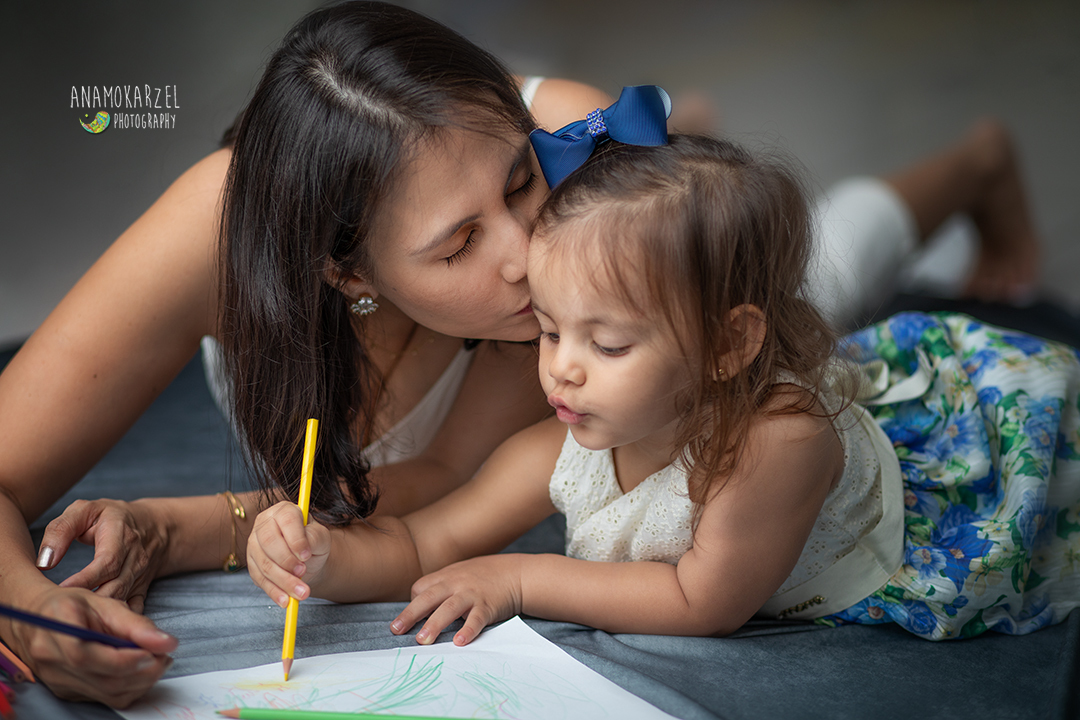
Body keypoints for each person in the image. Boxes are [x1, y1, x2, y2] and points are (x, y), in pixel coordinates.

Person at [0, 0, 1043, 707]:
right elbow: (439, 504)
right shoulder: (216, 233)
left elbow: (455, 488)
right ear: (348, 275)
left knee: (812, 273)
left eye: (516, 186)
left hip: (659, 292)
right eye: (458, 245)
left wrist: (182, 529)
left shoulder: (574, 241)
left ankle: (969, 168)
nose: (527, 257)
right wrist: (29, 605)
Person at [247, 128, 1079, 647]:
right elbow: (426, 545)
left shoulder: (776, 440)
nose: (560, 368)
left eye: (606, 343)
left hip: (934, 504)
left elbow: (701, 599)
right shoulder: (566, 435)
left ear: (727, 344)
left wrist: (517, 579)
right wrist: (320, 557)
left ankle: (973, 168)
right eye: (547, 329)